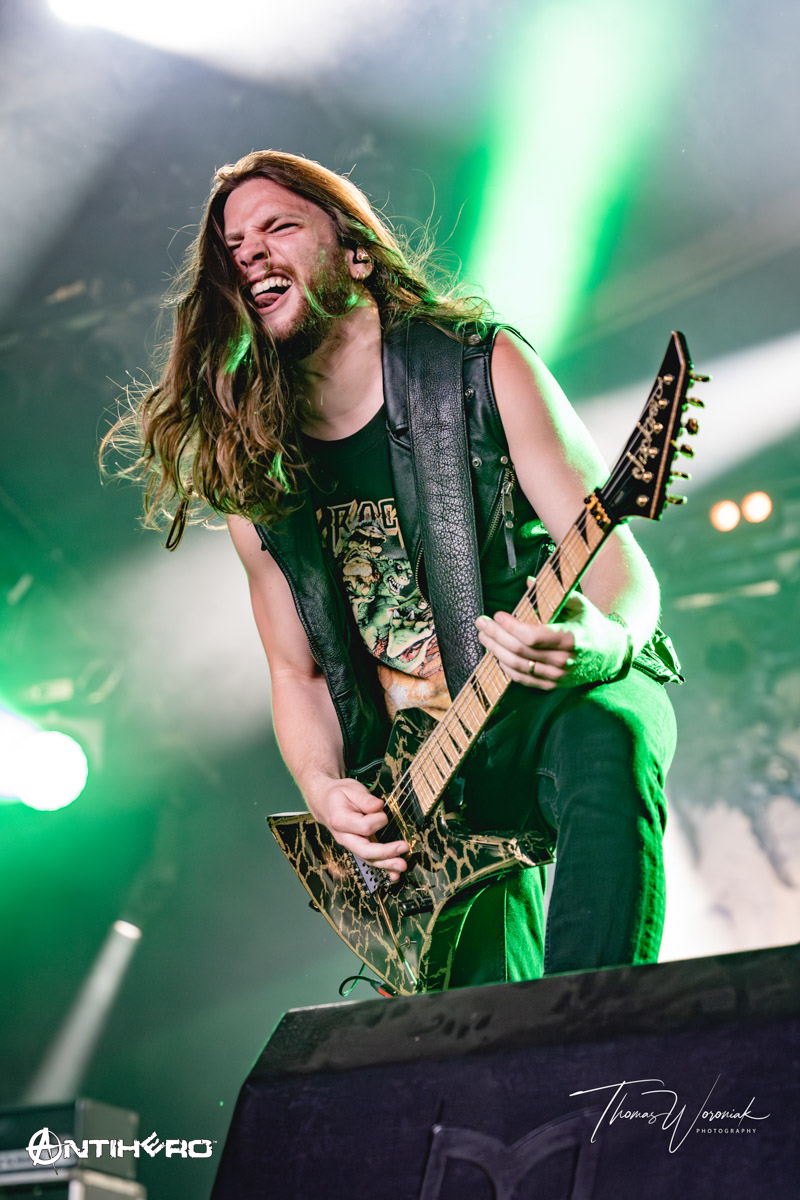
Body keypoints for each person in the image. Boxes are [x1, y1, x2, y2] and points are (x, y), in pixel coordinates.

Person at [105, 149, 681, 988]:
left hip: (550, 695)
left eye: (277, 227)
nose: (252, 253)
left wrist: (597, 643)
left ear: (355, 253)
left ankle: (600, 1032)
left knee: (612, 737)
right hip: (432, 778)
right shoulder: (253, 470)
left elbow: (620, 569)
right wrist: (322, 787)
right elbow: (297, 673)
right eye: (234, 247)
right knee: (479, 1022)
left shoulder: (480, 367)